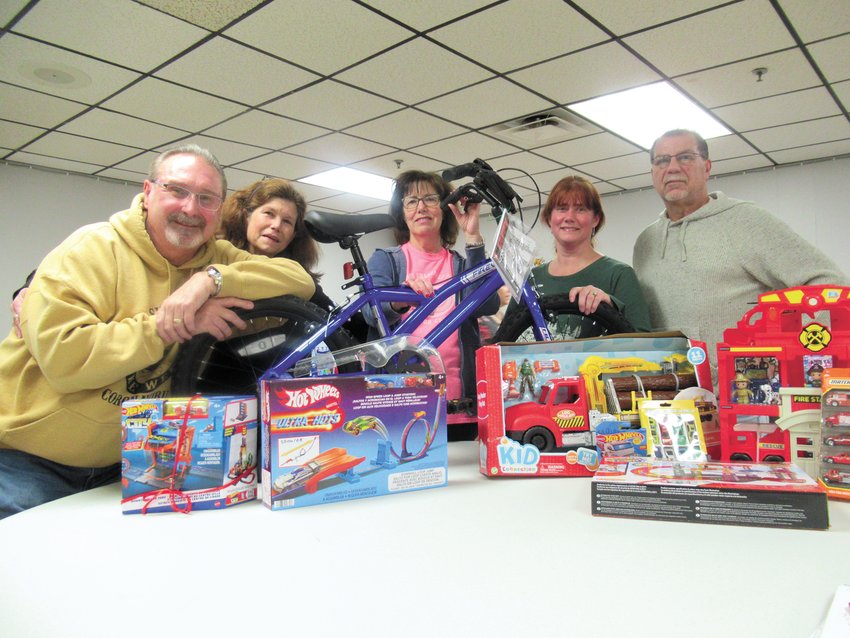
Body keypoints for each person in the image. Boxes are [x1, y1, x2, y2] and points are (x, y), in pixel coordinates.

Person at [0, 144, 315, 519]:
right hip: (30, 464)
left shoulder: (217, 255)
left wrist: (211, 279)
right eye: (177, 190)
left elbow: (299, 280)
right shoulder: (91, 249)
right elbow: (66, 360)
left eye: (206, 198)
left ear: (219, 208)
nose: (190, 209)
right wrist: (173, 325)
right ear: (148, 193)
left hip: (131, 464)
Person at [632, 128, 849, 385]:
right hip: (672, 395)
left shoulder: (747, 221)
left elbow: (829, 285)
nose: (673, 167)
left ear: (707, 166)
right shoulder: (645, 242)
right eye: (662, 160)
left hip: (747, 395)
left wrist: (795, 355)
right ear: (653, 173)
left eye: (686, 157)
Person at [362, 169, 499, 427]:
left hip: (459, 409)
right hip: (399, 408)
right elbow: (370, 314)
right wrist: (400, 299)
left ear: (445, 208)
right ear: (402, 213)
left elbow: (488, 303)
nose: (421, 207)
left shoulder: (461, 264)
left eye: (430, 199)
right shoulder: (387, 260)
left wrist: (473, 239)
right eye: (411, 201)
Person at [218, 177, 367, 341]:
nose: (276, 226)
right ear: (246, 216)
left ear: (294, 235)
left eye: (287, 221)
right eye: (269, 213)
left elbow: (338, 320)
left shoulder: (297, 279)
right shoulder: (217, 257)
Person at [511, 175, 651, 334]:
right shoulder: (530, 278)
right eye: (562, 208)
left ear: (595, 219)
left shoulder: (619, 274)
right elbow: (505, 339)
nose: (569, 217)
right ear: (550, 218)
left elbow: (643, 339)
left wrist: (610, 304)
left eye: (580, 209)